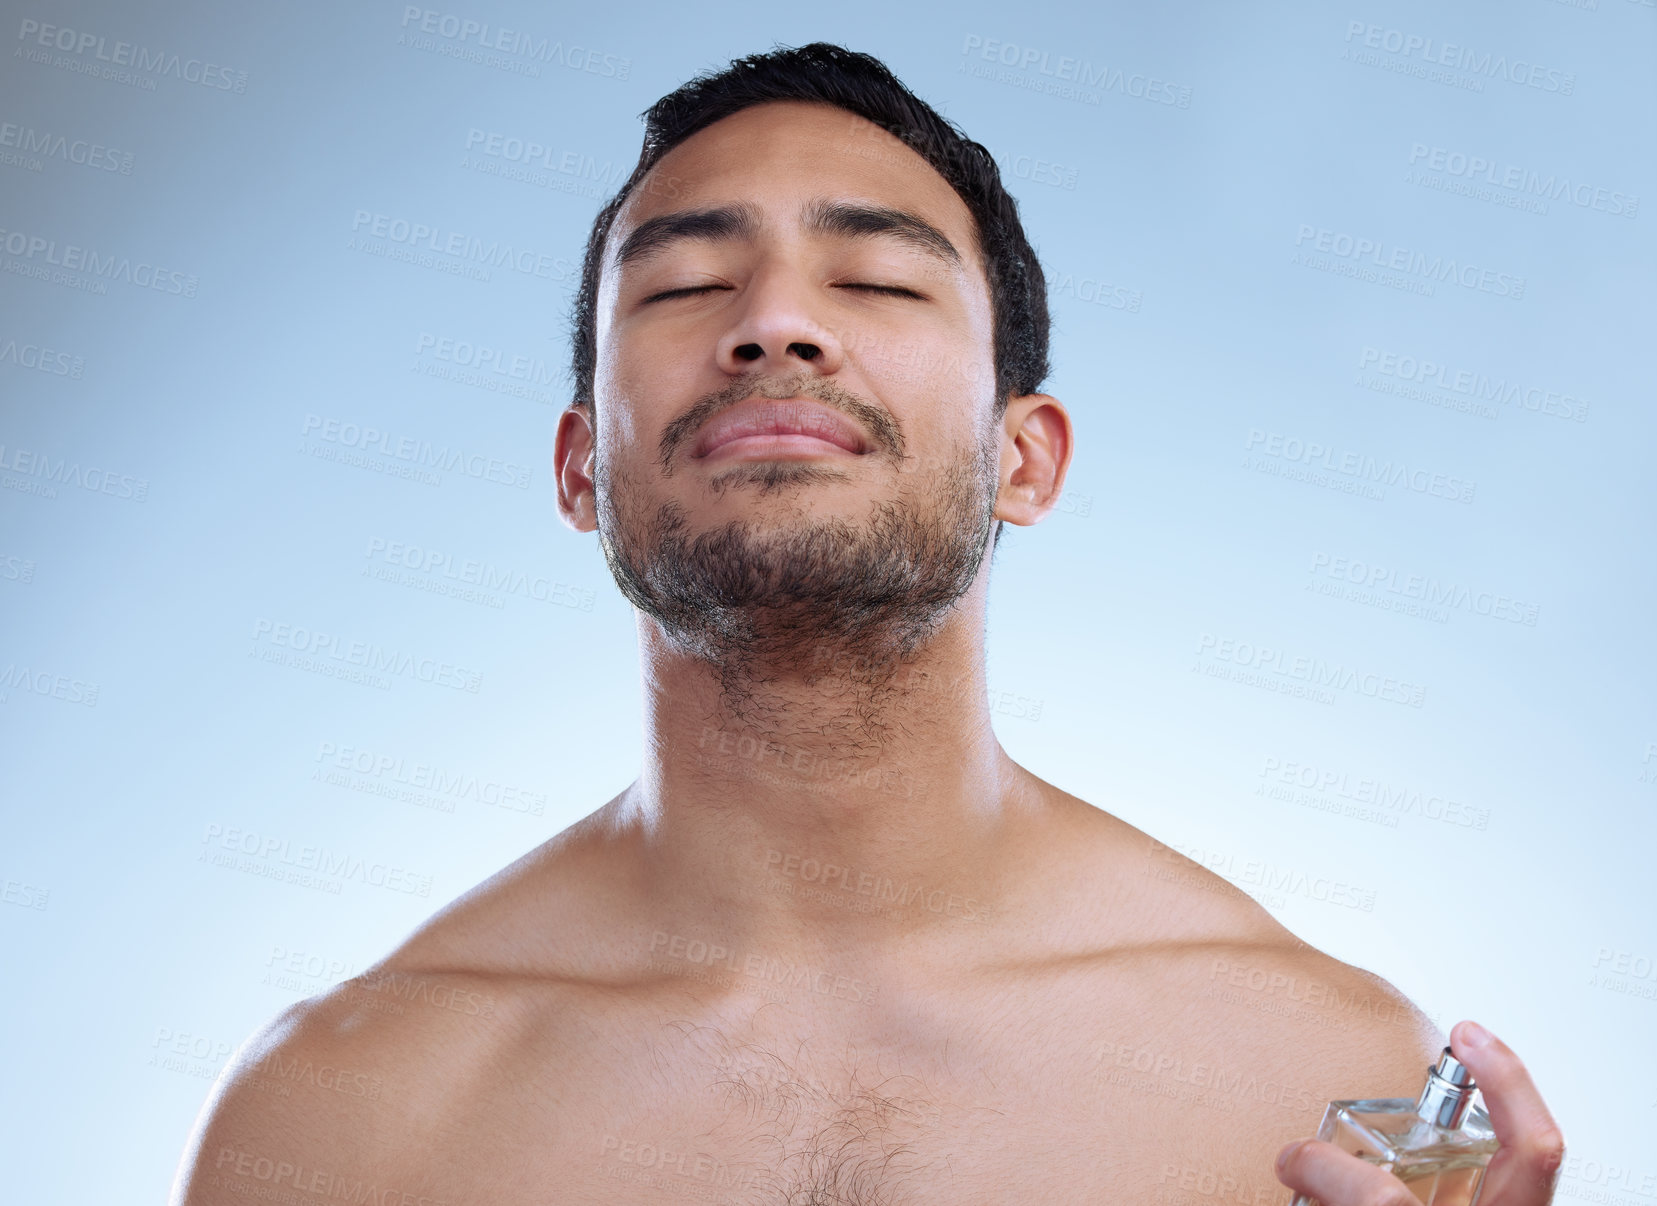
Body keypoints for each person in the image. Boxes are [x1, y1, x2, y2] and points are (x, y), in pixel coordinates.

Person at [172, 42, 1563, 1205]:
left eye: (879, 282)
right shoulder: (340, 1123)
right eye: (683, 286)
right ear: (581, 465)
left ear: (1025, 456)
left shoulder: (1307, 1077)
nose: (774, 321)